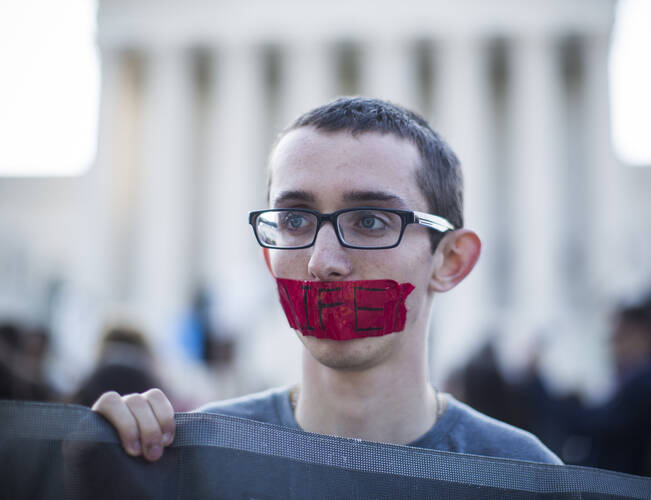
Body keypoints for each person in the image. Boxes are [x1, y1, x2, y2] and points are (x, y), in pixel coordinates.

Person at [92, 96, 561, 465]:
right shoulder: (191, 459)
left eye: (371, 221)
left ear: (451, 260)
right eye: (296, 221)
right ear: (268, 256)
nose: (322, 261)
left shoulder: (525, 477)